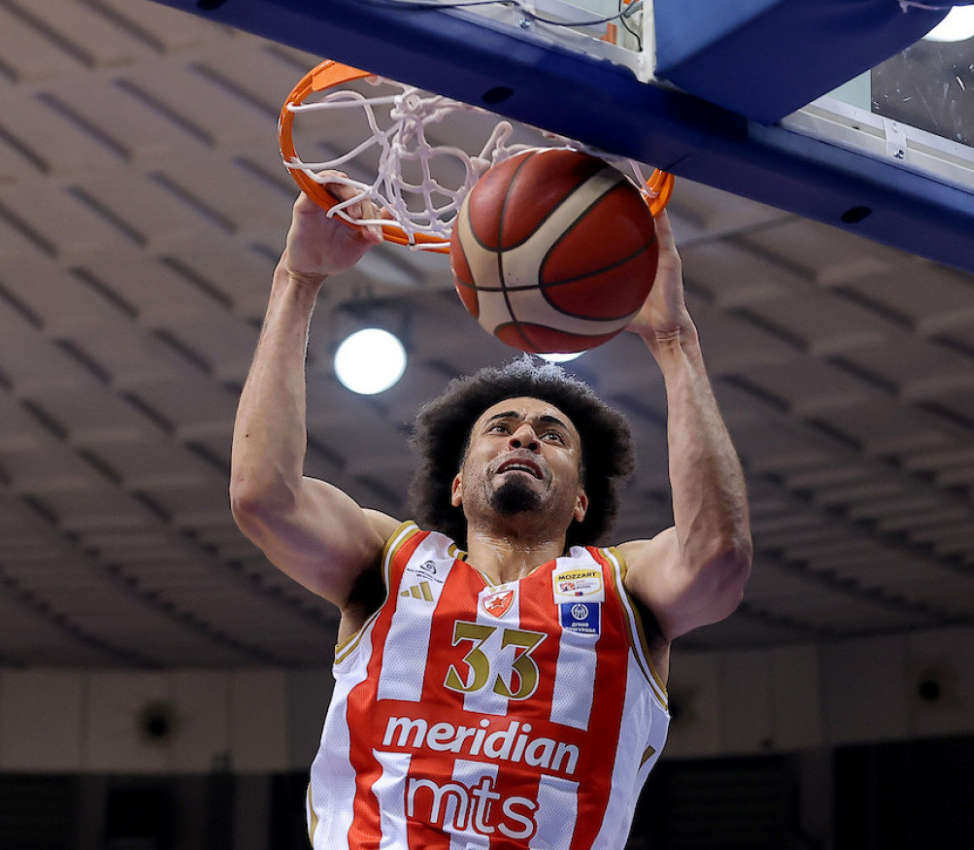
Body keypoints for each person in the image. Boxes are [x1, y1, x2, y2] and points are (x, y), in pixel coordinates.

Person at [230, 183, 752, 849]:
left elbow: (718, 559)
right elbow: (263, 499)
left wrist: (673, 340)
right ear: (456, 485)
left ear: (581, 500)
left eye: (552, 436)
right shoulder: (390, 561)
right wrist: (297, 279)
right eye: (500, 428)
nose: (524, 436)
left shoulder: (624, 584)